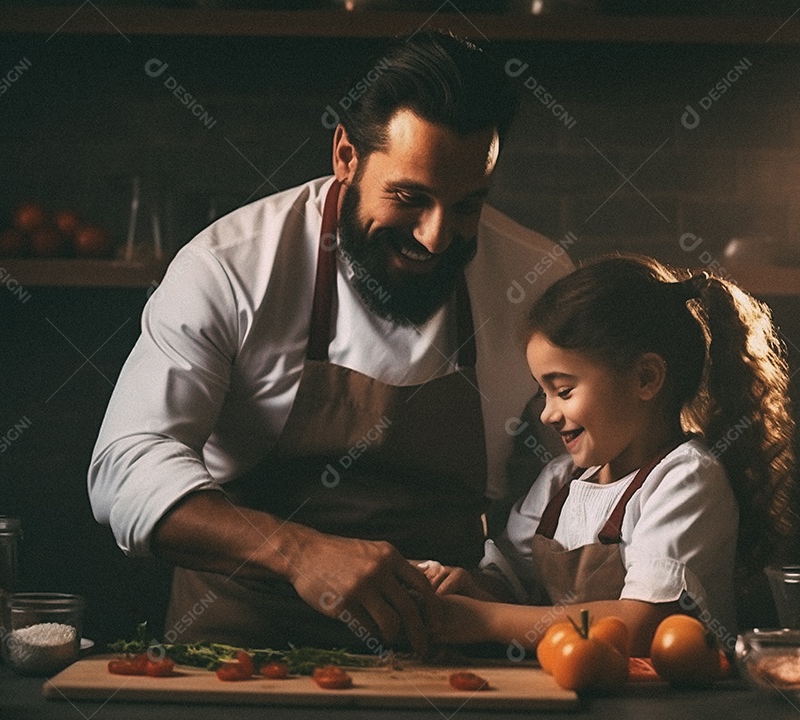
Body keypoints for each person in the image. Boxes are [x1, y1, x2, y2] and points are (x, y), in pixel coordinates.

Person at [87, 31, 572, 653]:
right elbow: (126, 467)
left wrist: (502, 579)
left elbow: (586, 471)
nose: (436, 236)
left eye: (467, 206)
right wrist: (299, 551)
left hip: (443, 648)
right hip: (242, 653)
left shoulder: (536, 278)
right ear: (346, 155)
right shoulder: (229, 267)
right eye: (410, 198)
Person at [419, 254, 796, 655]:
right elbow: (510, 581)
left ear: (645, 378)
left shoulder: (686, 479)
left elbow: (641, 624)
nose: (547, 414)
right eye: (543, 392)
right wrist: (468, 588)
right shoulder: (559, 482)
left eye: (564, 391)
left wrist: (482, 620)